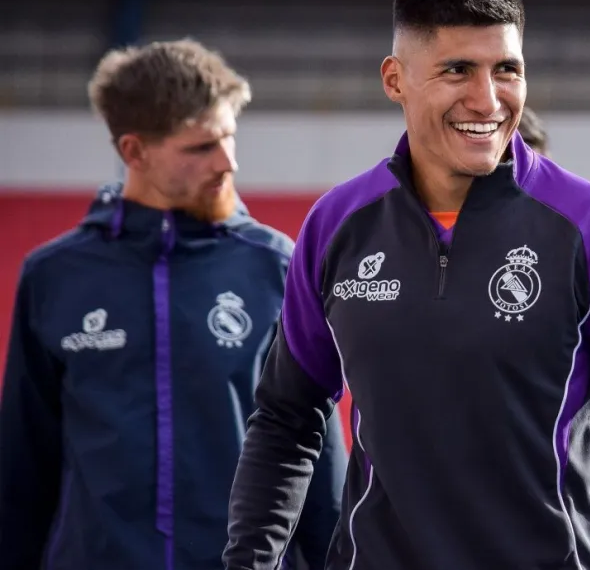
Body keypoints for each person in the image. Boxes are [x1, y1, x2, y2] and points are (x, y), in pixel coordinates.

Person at [223, 0, 590, 570]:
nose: (488, 99)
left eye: (507, 69)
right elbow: (287, 418)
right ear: (395, 80)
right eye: (457, 70)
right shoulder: (336, 226)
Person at [0, 39, 347, 570]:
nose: (227, 162)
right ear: (133, 151)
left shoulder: (278, 266)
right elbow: (26, 465)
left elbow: (318, 456)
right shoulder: (54, 276)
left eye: (229, 137)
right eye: (200, 147)